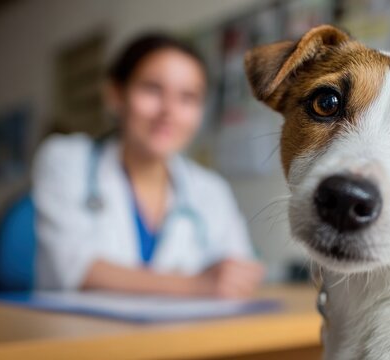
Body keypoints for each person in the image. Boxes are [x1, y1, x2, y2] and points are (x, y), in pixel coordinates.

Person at [32, 33, 264, 298]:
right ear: (116, 95)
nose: (168, 110)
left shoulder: (211, 190)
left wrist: (233, 279)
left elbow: (235, 276)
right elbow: (73, 268)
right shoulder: (67, 160)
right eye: (152, 89)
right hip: (78, 336)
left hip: (182, 338)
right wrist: (196, 285)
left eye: (187, 97)